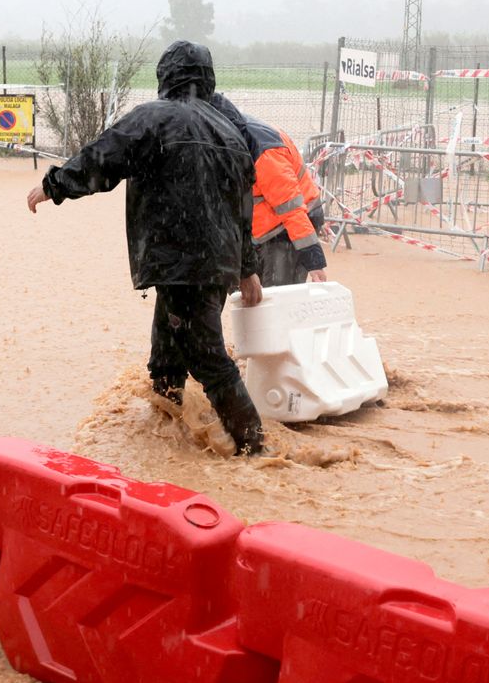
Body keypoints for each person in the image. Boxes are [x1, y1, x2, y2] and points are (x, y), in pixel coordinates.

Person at [25, 40, 265, 456]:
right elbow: (243, 207)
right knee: (168, 349)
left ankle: (256, 450)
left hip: (179, 259)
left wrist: (54, 186)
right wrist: (247, 267)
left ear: (165, 77)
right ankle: (168, 433)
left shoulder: (153, 119)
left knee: (206, 357)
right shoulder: (232, 132)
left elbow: (102, 159)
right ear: (207, 79)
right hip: (214, 265)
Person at [236, 113, 328, 288]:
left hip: (286, 231)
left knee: (278, 297)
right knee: (258, 299)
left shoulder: (264, 153)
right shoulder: (235, 137)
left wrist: (313, 261)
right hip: (263, 231)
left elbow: (291, 210)